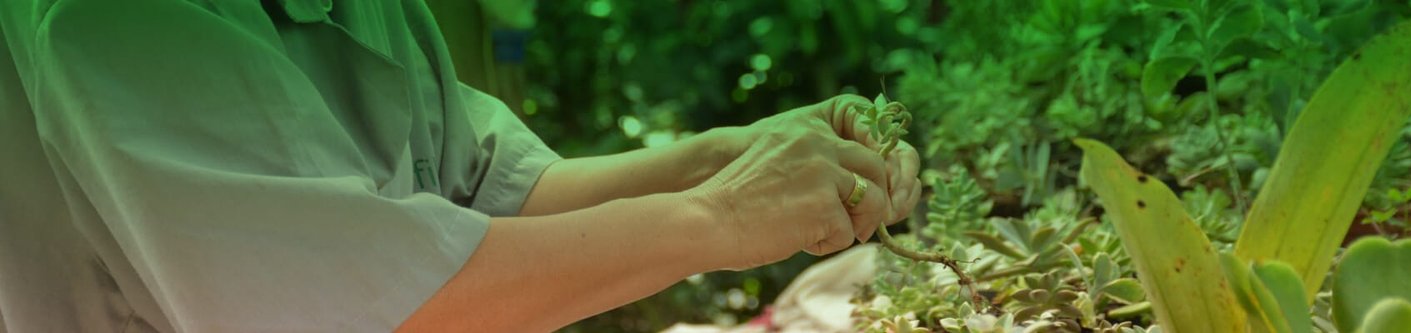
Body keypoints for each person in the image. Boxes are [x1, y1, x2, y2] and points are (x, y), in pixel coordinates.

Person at [0, 0, 922, 332]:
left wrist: (740, 155)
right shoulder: (116, 16)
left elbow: (493, 197)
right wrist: (723, 217)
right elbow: (393, 308)